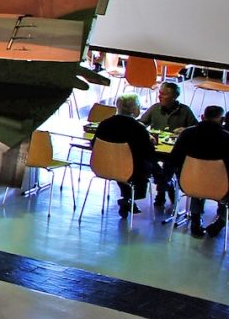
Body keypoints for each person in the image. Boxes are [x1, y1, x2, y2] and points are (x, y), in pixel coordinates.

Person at [168, 105, 229, 237]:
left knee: (198, 177)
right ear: (222, 119)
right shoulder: (226, 138)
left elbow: (173, 159)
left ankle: (195, 218)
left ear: (202, 117)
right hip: (220, 187)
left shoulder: (186, 134)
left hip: (189, 183)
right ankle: (222, 220)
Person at [94, 93, 156, 214]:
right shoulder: (138, 128)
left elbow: (94, 145)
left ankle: (127, 199)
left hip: (103, 166)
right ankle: (130, 198)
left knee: (122, 169)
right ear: (134, 109)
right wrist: (151, 142)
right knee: (149, 167)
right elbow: (148, 152)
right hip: (131, 170)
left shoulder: (104, 124)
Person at [141, 81, 198, 210]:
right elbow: (141, 124)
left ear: (174, 97)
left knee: (171, 162)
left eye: (164, 94)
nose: (159, 96)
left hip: (175, 150)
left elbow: (196, 128)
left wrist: (185, 130)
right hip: (156, 148)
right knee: (147, 157)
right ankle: (164, 182)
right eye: (159, 93)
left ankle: (162, 188)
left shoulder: (185, 111)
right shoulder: (155, 108)